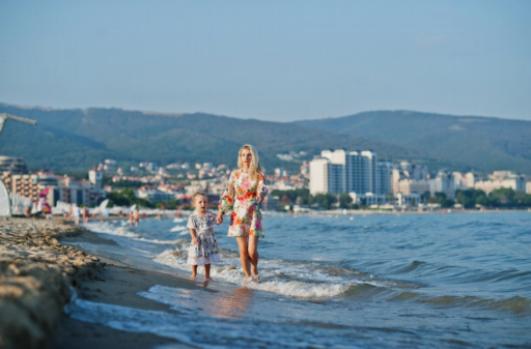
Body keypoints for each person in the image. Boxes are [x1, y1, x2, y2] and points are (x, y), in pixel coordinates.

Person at [217, 144, 268, 283]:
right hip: (238, 214)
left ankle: (255, 269)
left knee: (252, 251)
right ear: (240, 157)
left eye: (249, 154)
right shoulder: (235, 174)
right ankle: (248, 278)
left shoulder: (259, 175)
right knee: (243, 250)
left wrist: (260, 196)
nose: (246, 158)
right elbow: (228, 193)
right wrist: (221, 211)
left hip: (253, 214)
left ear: (254, 157)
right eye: (243, 155)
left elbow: (262, 189)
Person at [187, 192, 220, 287]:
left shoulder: (210, 214)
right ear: (194, 204)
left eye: (205, 202)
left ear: (208, 203)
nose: (203, 204)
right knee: (195, 258)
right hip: (198, 239)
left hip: (209, 240)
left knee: (207, 259)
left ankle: (207, 275)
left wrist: (220, 216)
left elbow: (217, 221)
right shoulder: (193, 216)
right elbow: (191, 227)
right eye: (200, 202)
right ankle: (194, 273)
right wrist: (193, 237)